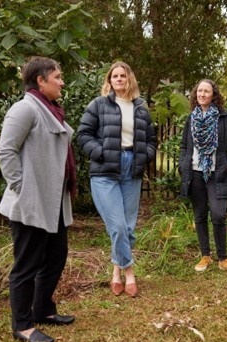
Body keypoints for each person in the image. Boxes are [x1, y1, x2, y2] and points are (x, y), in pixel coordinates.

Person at [0, 56, 77, 342]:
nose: (62, 82)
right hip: (30, 203)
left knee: (55, 257)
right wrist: (22, 188)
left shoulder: (52, 110)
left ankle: (42, 309)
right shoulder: (25, 109)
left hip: (54, 201)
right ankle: (22, 325)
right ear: (41, 81)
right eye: (58, 76)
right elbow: (6, 152)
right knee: (26, 265)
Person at [77, 61, 156, 298]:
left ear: (129, 79)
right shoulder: (99, 105)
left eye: (123, 75)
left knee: (128, 226)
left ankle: (115, 272)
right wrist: (100, 152)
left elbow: (152, 140)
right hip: (104, 171)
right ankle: (129, 271)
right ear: (109, 81)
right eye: (115, 76)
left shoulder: (141, 107)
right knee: (118, 226)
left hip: (131, 168)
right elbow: (83, 135)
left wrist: (143, 157)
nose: (119, 79)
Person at [179, 79, 227, 275]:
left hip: (218, 174)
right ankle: (205, 255)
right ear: (195, 94)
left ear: (214, 95)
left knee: (218, 214)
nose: (202, 94)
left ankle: (223, 258)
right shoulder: (191, 118)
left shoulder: (224, 117)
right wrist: (183, 164)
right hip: (195, 174)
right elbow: (184, 146)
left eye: (206, 91)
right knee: (199, 216)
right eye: (199, 91)